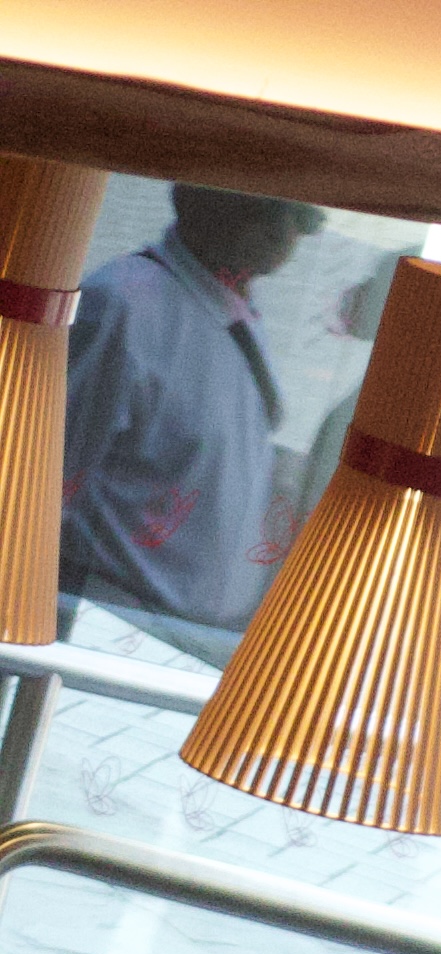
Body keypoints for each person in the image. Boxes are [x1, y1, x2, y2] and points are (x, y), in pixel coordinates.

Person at [58, 189, 321, 659]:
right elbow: (43, 480)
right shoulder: (123, 303)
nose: (286, 232)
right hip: (108, 632)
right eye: (269, 208)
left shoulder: (232, 307)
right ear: (208, 204)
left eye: (298, 212)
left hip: (192, 641)